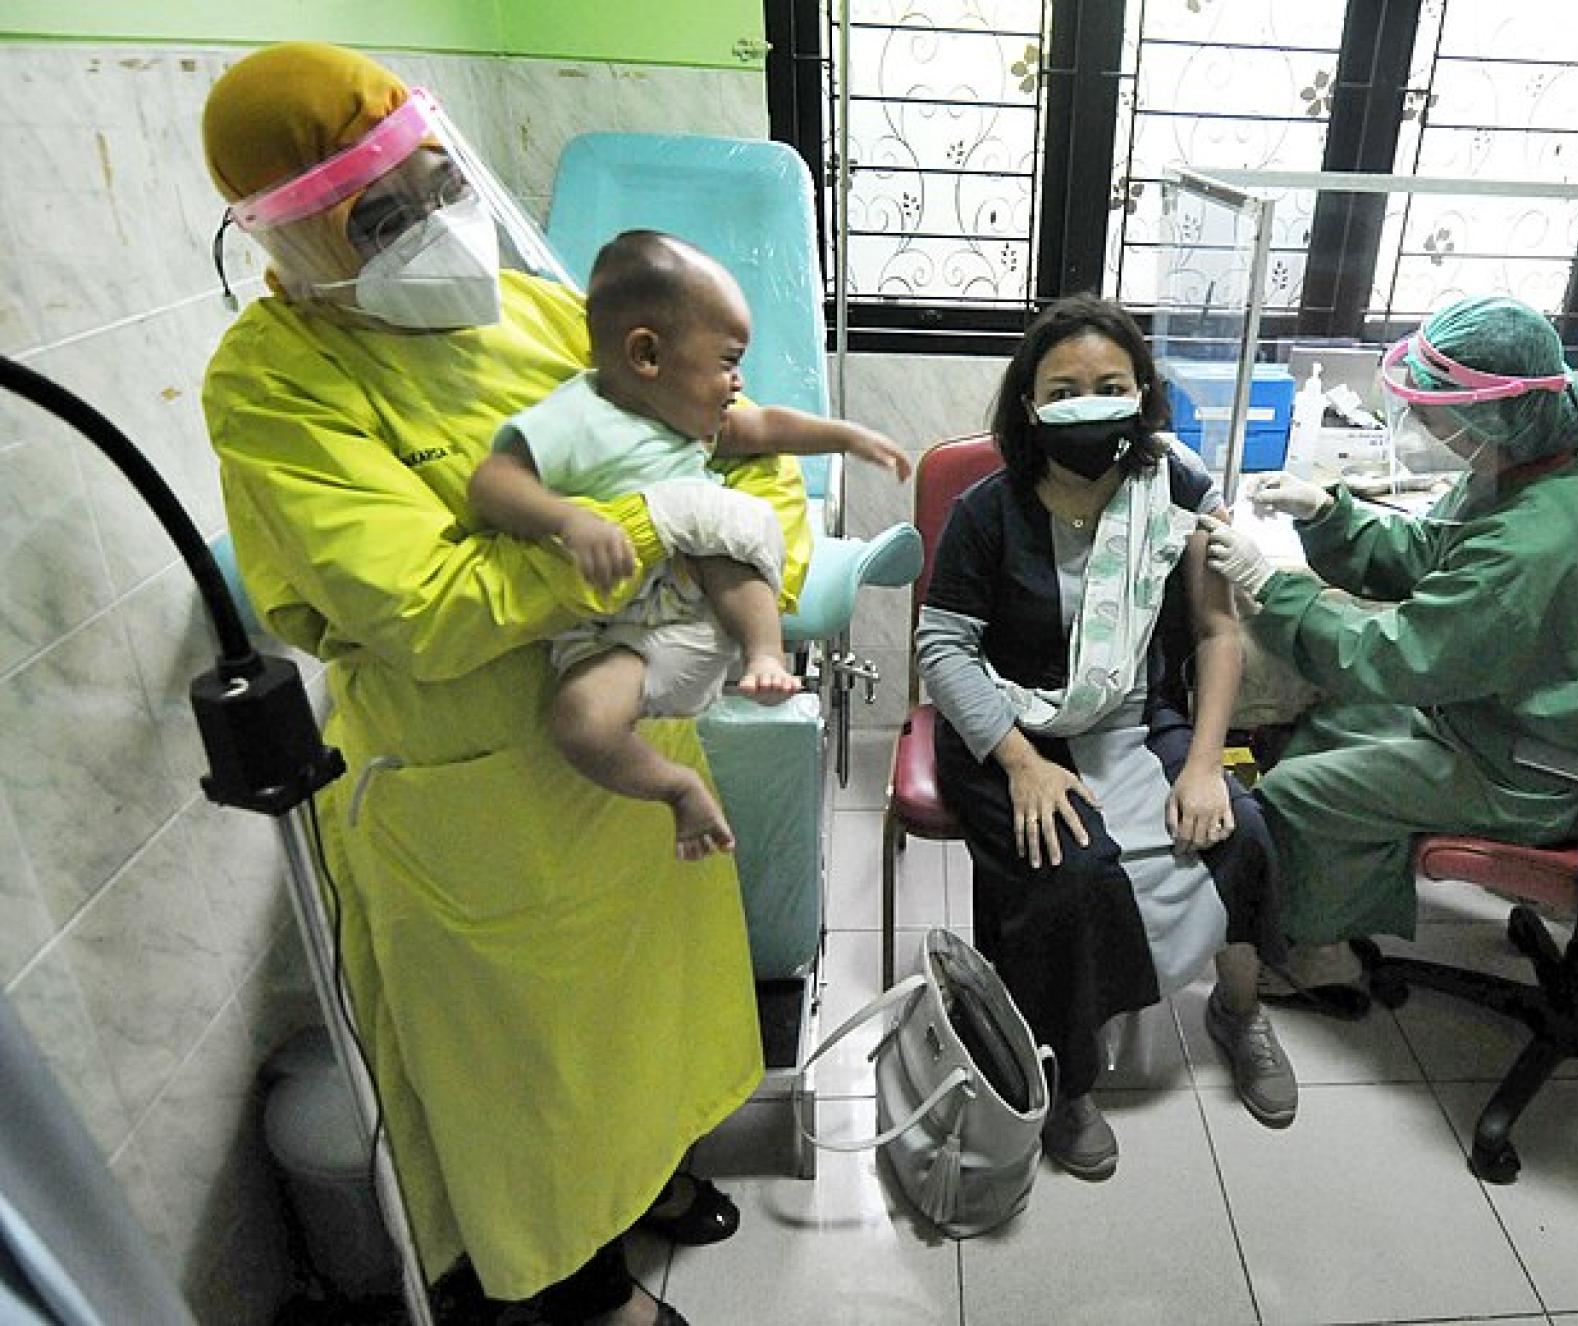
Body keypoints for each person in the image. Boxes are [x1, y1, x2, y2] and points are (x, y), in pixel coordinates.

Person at [198, 42, 793, 1325]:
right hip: (480, 801)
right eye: (383, 215)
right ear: (291, 239)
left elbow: (731, 450)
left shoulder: (528, 312)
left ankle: (651, 1184)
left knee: (655, 1015)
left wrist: (750, 550)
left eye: (440, 186)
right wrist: (653, 531)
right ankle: (579, 1285)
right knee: (531, 1082)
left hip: (632, 756)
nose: (437, 231)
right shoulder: (276, 386)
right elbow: (420, 608)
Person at [916, 294, 1298, 1181]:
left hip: (1136, 715)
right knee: (1072, 876)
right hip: (1007, 727)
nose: (1089, 403)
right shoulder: (988, 511)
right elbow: (943, 649)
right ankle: (1068, 1074)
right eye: (1064, 388)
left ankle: (1238, 1013)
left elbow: (1215, 634)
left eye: (1110, 385)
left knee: (1245, 830)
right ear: (1029, 404)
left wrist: (1204, 766)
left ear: (1143, 394)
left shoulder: (1176, 492)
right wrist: (1018, 763)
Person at [1199, 295, 1578, 1001]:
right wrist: (1331, 516)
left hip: (1532, 768)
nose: (1429, 428)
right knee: (1324, 725)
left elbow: (1395, 654)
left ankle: (1320, 959)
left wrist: (1270, 585)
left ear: (1493, 413)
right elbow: (1430, 554)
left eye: (1438, 414)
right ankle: (1342, 904)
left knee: (1296, 791)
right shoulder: (1531, 473)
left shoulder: (1531, 544)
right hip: (1496, 716)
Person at [469, 229, 909, 858]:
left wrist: (846, 435)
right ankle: (677, 790)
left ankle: (765, 654)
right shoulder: (576, 417)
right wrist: (568, 521)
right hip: (612, 634)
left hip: (691, 616)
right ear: (647, 356)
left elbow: (765, 427)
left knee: (724, 527)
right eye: (728, 362)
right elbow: (494, 480)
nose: (737, 384)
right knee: (580, 724)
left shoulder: (692, 425)